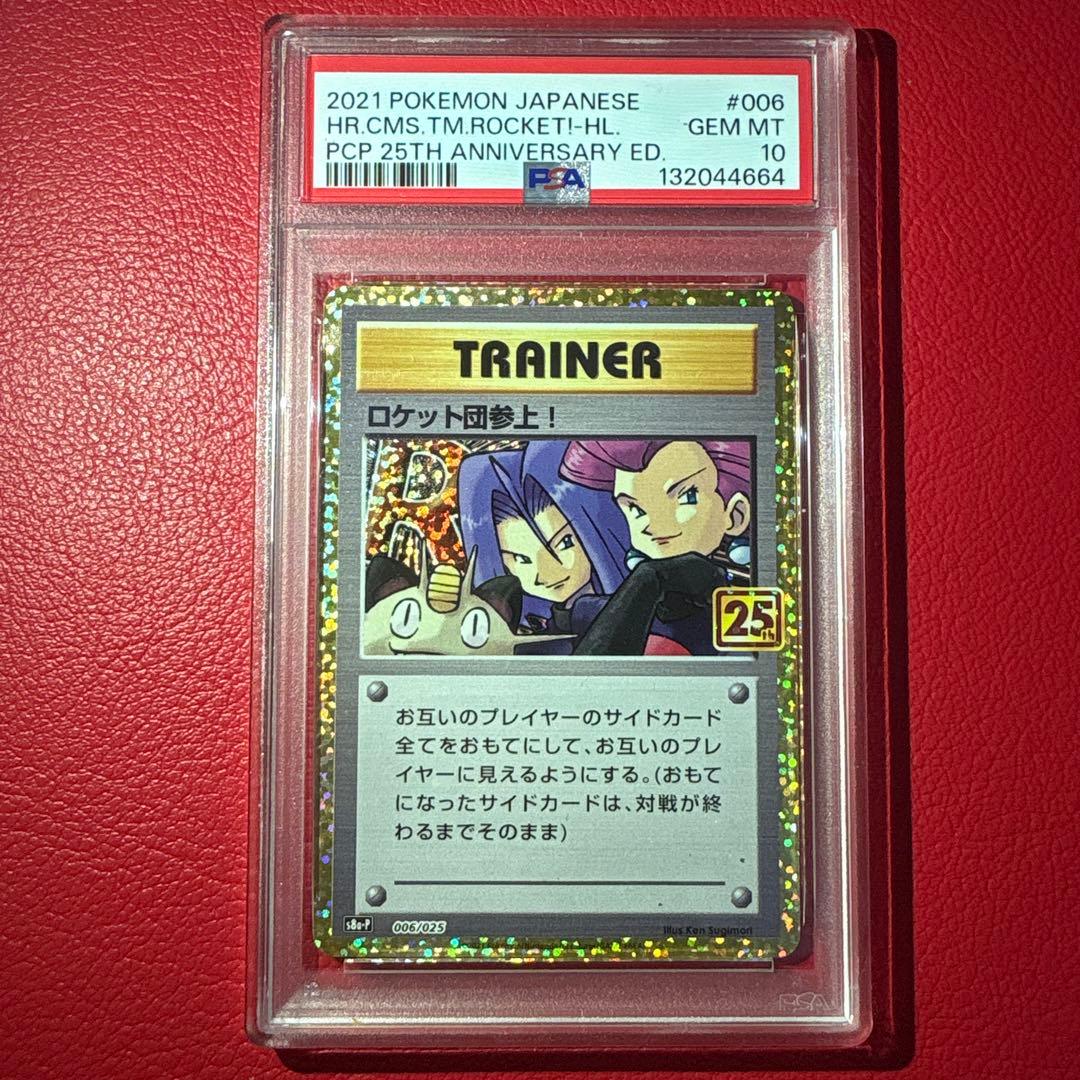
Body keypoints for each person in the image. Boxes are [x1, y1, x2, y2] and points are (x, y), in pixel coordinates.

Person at [559, 439, 753, 655]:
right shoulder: (591, 613)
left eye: (687, 497)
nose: (652, 524)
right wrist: (648, 579)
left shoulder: (748, 612)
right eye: (636, 509)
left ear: (736, 514)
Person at [457, 440, 631, 651]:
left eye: (564, 543)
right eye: (520, 559)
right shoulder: (528, 642)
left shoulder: (640, 607)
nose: (545, 573)